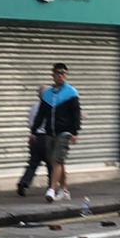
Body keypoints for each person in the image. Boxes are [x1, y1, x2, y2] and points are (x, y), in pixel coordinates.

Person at [31, 62, 82, 201]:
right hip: (50, 132)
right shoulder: (48, 94)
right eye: (57, 73)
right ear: (53, 75)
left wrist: (75, 132)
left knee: (57, 160)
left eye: (63, 74)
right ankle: (64, 190)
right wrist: (33, 131)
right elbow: (41, 114)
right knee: (58, 161)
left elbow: (76, 114)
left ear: (66, 76)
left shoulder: (71, 93)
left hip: (64, 132)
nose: (60, 76)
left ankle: (52, 190)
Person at [16, 86, 49, 195]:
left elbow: (30, 123)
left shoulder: (33, 107)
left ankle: (23, 183)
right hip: (47, 138)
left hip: (35, 137)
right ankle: (52, 187)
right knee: (51, 164)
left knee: (33, 163)